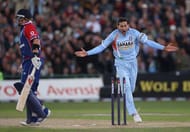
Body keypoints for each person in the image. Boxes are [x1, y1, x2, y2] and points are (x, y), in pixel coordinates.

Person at [74, 17, 178, 123]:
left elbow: (148, 42)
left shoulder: (134, 33)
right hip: (121, 64)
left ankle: (127, 96)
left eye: (125, 25)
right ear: (117, 26)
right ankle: (134, 113)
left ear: (128, 25)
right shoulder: (114, 35)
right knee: (127, 87)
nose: (123, 28)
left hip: (133, 63)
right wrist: (87, 53)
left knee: (131, 89)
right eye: (121, 26)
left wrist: (163, 47)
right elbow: (101, 47)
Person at [13, 9, 51, 126]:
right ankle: (32, 120)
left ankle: (43, 111)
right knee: (31, 91)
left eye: (20, 18)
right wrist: (23, 63)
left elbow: (35, 40)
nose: (18, 20)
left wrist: (35, 56)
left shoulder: (29, 27)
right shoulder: (24, 28)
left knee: (26, 89)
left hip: (32, 61)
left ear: (24, 18)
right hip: (28, 61)